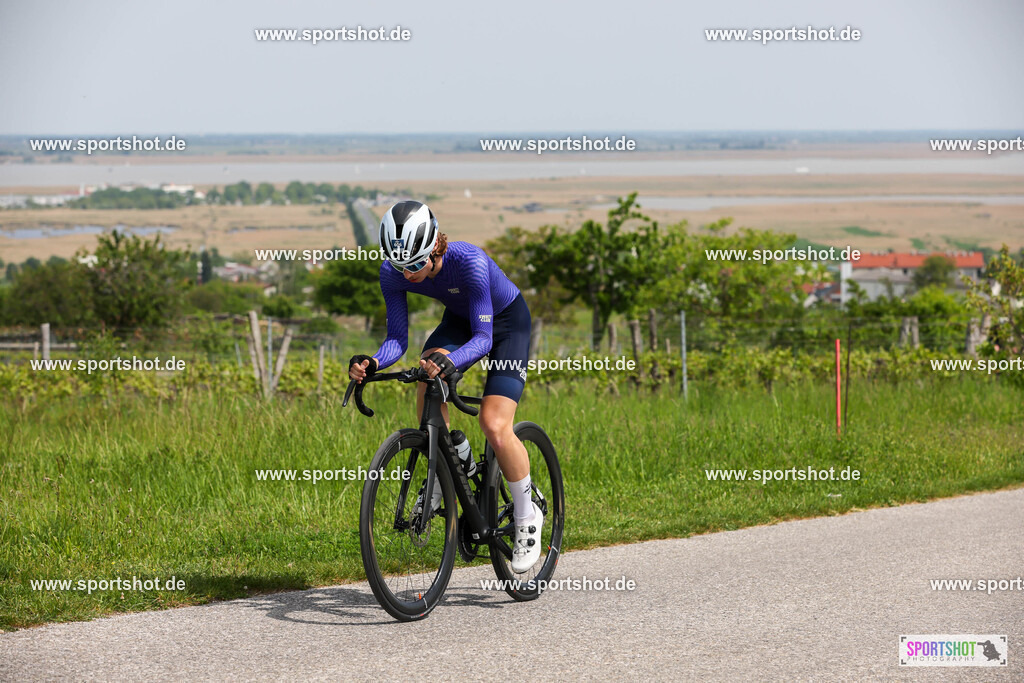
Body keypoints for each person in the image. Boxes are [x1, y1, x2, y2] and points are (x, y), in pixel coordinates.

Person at [348, 200, 541, 573]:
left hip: (503, 325)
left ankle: (526, 514)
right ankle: (452, 458)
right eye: (401, 266)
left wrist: (451, 361)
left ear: (435, 247)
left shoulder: (470, 262)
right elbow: (397, 339)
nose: (408, 274)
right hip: (458, 321)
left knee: (495, 424)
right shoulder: (393, 272)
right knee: (425, 376)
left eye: (416, 265)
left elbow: (484, 337)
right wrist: (372, 362)